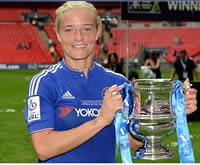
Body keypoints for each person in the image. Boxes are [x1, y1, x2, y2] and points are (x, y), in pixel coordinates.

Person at [24, 1, 197, 163]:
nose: (78, 37)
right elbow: (44, 148)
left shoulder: (118, 83)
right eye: (69, 29)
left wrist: (171, 111)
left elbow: (132, 143)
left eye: (86, 29)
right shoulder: (44, 83)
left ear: (98, 31)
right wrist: (100, 120)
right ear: (58, 35)